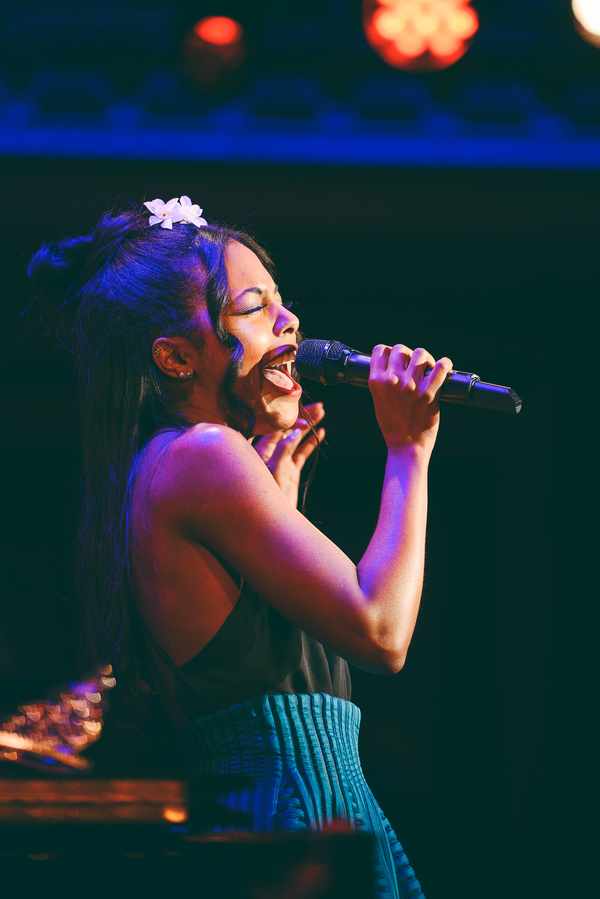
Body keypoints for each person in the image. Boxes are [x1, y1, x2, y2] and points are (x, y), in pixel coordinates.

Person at [28, 196, 452, 899]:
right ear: (174, 356)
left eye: (281, 302)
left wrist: (273, 494)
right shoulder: (202, 455)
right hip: (291, 821)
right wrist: (409, 449)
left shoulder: (172, 466)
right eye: (254, 307)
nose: (289, 322)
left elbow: (249, 656)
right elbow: (381, 630)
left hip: (281, 813)